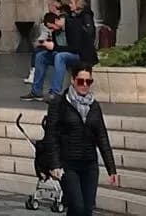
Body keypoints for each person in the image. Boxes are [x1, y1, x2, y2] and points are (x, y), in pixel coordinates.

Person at [42, 62, 119, 216]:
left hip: (89, 164)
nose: (84, 85)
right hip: (68, 164)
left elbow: (102, 137)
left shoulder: (94, 106)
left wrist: (112, 169)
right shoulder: (59, 103)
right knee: (77, 207)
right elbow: (51, 136)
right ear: (72, 80)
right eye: (80, 81)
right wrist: (55, 164)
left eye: (88, 82)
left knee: (87, 210)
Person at [22, 12, 71, 102]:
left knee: (59, 57)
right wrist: (45, 45)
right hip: (60, 52)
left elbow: (74, 47)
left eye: (51, 27)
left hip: (73, 53)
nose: (51, 30)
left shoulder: (70, 26)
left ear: (57, 21)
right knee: (40, 56)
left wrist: (54, 47)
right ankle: (36, 92)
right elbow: (55, 47)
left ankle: (55, 93)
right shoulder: (55, 31)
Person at [24, 0, 65, 83]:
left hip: (60, 43)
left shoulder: (63, 16)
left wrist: (42, 41)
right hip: (51, 41)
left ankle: (35, 74)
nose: (49, 7)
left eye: (51, 5)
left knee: (40, 51)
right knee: (38, 52)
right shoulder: (48, 16)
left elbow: (59, 28)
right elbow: (47, 31)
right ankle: (34, 74)